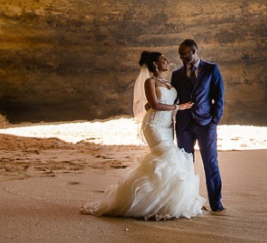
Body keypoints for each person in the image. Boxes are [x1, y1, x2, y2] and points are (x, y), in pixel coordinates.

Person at [81, 51, 205, 220]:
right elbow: (154, 104)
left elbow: (153, 103)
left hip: (168, 126)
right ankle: (145, 203)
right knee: (167, 157)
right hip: (154, 126)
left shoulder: (166, 82)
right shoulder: (150, 81)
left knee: (167, 160)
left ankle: (164, 201)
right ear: (155, 64)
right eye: (163, 59)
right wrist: (179, 108)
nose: (167, 61)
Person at [171, 39, 225, 212]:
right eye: (180, 54)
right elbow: (173, 99)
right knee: (186, 164)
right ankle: (189, 202)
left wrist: (214, 120)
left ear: (194, 50)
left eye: (184, 53)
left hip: (206, 124)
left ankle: (216, 204)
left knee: (211, 163)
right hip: (184, 125)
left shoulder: (211, 69)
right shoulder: (177, 74)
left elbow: (219, 96)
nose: (181, 57)